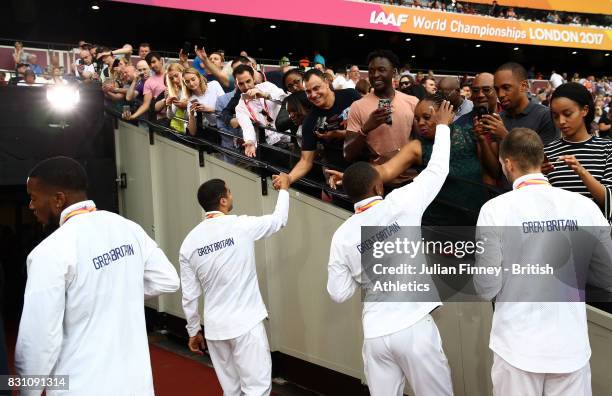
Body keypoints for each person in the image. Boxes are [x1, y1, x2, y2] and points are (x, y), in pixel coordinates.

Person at [15, 156, 180, 395]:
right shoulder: (128, 228)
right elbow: (168, 279)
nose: (31, 206)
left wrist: (26, 392)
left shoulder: (48, 252)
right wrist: (116, 289)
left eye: (33, 198)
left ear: (59, 199)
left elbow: (38, 342)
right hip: (137, 386)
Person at [327, 101, 454, 396]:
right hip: (413, 327)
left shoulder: (342, 235)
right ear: (378, 187)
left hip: (375, 336)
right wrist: (444, 127)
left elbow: (338, 293)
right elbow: (437, 169)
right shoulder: (402, 203)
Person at [475, 128, 612, 396]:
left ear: (508, 163)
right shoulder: (584, 206)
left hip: (516, 345)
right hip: (570, 344)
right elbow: (608, 275)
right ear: (540, 160)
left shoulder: (495, 210)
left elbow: (486, 287)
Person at [180, 175, 291, 396]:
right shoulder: (241, 225)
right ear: (222, 200)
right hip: (246, 324)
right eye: (229, 192)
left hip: (215, 330)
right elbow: (279, 220)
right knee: (257, 389)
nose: (231, 195)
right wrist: (285, 190)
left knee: (232, 391)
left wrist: (193, 330)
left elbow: (189, 295)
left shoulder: (188, 243)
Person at [271, 69, 361, 190]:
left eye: (316, 88)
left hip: (364, 166)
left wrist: (338, 134)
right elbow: (305, 161)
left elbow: (369, 126)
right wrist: (289, 178)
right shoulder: (310, 121)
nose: (313, 95)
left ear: (326, 82)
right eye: (308, 91)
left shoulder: (350, 95)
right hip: (337, 175)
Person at [344, 50, 419, 186]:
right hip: (376, 181)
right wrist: (366, 128)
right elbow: (348, 154)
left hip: (409, 180)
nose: (375, 75)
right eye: (371, 71)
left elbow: (423, 144)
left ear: (394, 72)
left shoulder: (413, 102)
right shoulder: (357, 106)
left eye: (381, 70)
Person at [543, 82, 612, 221]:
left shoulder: (607, 148)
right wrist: (537, 176)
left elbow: (609, 201)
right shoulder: (547, 151)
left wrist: (582, 172)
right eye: (555, 116)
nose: (561, 121)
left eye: (567, 114)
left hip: (597, 237)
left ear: (584, 110)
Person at [485, 62, 558, 145]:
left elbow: (543, 157)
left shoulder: (545, 116)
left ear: (524, 86)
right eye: (497, 89)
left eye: (506, 88)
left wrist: (505, 136)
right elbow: (494, 158)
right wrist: (481, 139)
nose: (500, 94)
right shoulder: (499, 118)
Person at [233, 64, 290, 157]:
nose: (246, 86)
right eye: (241, 84)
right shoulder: (240, 107)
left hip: (289, 139)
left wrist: (265, 95)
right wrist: (250, 142)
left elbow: (287, 100)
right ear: (236, 84)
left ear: (253, 79)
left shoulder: (267, 86)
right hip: (270, 148)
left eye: (248, 81)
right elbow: (247, 127)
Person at [124, 52, 166, 121]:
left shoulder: (171, 74)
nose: (152, 65)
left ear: (161, 61)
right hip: (161, 119)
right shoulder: (148, 82)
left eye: (154, 62)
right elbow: (145, 105)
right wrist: (132, 116)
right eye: (149, 64)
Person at [185, 68, 225, 136]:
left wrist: (209, 109)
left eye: (193, 79)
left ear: (199, 77)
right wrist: (191, 115)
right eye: (187, 81)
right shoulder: (191, 100)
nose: (191, 83)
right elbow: (192, 132)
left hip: (227, 125)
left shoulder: (214, 85)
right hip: (214, 129)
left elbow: (227, 108)